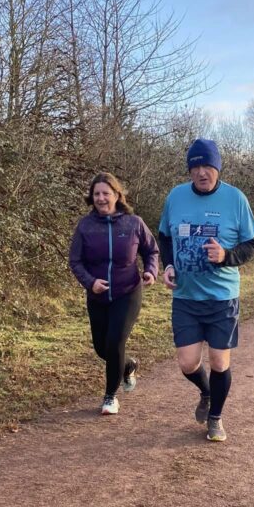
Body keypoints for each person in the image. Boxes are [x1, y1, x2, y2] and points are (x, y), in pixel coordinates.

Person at [158, 138, 254, 443]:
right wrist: (168, 264)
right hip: (186, 297)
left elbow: (252, 244)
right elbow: (165, 237)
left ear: (218, 168)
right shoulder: (176, 197)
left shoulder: (235, 199)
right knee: (187, 363)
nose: (202, 172)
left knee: (219, 361)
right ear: (189, 169)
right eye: (196, 167)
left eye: (208, 166)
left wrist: (226, 256)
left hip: (221, 298)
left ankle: (215, 417)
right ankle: (206, 392)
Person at [69, 172, 159, 416]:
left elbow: (151, 251)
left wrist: (151, 271)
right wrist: (90, 283)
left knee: (115, 341)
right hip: (97, 296)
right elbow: (75, 261)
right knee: (102, 348)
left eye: (105, 193)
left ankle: (110, 396)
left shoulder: (134, 223)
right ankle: (128, 365)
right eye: (96, 194)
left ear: (117, 195)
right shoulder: (85, 226)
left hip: (127, 292)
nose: (101, 198)